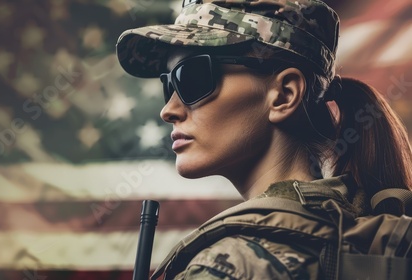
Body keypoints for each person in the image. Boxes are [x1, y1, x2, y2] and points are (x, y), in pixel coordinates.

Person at [116, 0, 412, 279]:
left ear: (284, 95)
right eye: (169, 84)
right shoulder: (365, 231)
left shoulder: (229, 266)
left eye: (191, 77)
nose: (169, 110)